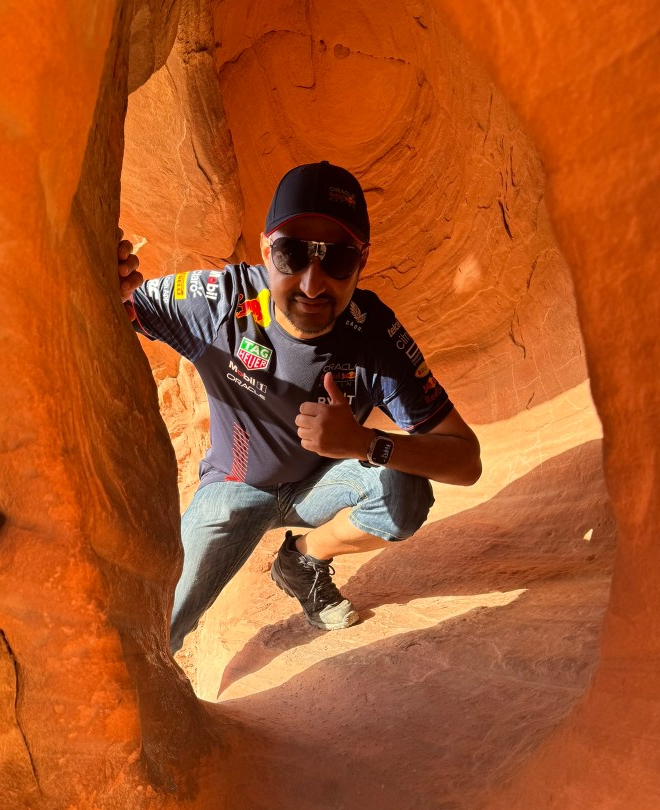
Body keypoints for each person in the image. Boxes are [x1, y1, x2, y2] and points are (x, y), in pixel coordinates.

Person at [118, 161, 481, 654]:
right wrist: (106, 275)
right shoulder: (222, 302)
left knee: (405, 491)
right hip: (234, 488)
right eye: (292, 254)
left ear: (362, 261)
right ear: (266, 249)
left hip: (321, 486)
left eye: (338, 259)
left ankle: (302, 559)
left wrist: (365, 443)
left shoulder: (374, 333)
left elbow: (466, 460)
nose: (312, 284)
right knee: (159, 624)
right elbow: (122, 304)